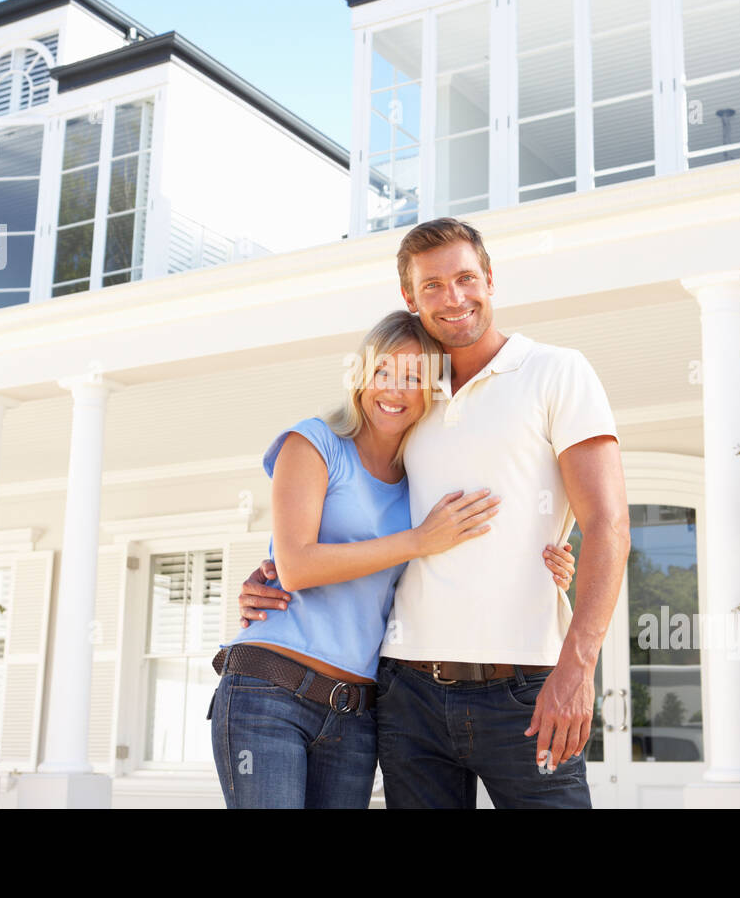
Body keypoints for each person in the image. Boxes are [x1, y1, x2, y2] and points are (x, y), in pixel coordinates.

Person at [241, 216, 630, 808]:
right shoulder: (409, 398)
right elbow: (358, 503)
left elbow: (608, 523)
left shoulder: (556, 371)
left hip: (525, 685)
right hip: (408, 694)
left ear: (490, 279)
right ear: (410, 297)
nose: (453, 298)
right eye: (432, 286)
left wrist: (577, 667)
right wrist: (277, 569)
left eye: (466, 278)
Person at [208, 308, 577, 808]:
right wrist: (419, 540)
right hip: (270, 690)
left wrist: (546, 560)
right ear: (361, 375)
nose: (394, 390)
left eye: (413, 378)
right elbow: (295, 567)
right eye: (382, 371)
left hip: (355, 711)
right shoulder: (313, 442)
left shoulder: (416, 481)